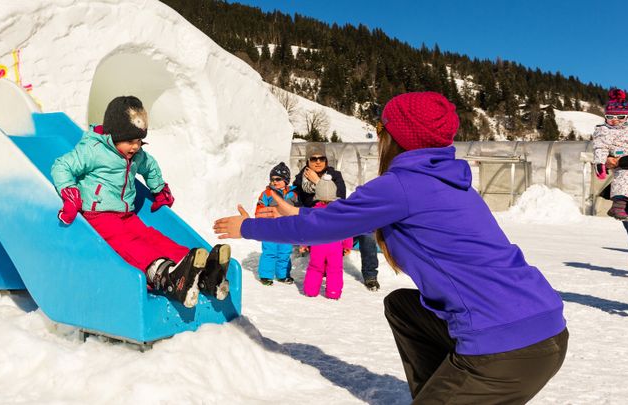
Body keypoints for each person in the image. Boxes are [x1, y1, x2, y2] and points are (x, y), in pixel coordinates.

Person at [214, 92, 568, 403]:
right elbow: (334, 219)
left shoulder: (401, 185)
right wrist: (297, 213)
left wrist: (247, 227)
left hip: (503, 348)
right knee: (402, 306)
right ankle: (441, 390)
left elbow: (321, 228)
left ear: (397, 137)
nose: (380, 137)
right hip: (545, 329)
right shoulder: (452, 182)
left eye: (382, 130)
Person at [51, 95, 230, 308]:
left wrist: (159, 188)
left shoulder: (135, 154)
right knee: (129, 244)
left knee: (151, 236)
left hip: (126, 216)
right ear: (113, 135)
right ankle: (164, 275)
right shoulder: (93, 150)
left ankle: (198, 270)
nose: (135, 147)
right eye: (130, 141)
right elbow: (62, 166)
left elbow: (150, 166)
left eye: (139, 141)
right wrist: (70, 193)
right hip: (98, 217)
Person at [291, 144, 381, 291]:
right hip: (317, 227)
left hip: (336, 222)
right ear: (307, 161)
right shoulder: (300, 181)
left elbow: (339, 198)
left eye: (321, 158)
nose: (318, 162)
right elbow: (301, 207)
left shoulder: (335, 175)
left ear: (326, 160)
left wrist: (318, 183)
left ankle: (370, 275)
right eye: (313, 159)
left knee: (366, 231)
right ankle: (323, 269)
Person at [301, 181, 353, 299]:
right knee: (335, 270)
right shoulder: (340, 213)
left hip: (317, 245)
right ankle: (333, 293)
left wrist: (304, 243)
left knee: (315, 267)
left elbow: (307, 229)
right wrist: (347, 245)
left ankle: (311, 291)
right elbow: (347, 230)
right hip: (335, 246)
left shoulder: (313, 212)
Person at [255, 162, 298, 285]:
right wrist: (263, 220)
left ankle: (283, 275)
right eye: (272, 179)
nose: (274, 182)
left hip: (287, 229)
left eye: (278, 179)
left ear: (286, 180)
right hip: (270, 229)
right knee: (270, 251)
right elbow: (259, 209)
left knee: (285, 252)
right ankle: (266, 275)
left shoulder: (293, 194)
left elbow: (297, 209)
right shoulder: (267, 194)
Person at [591, 88, 628, 218]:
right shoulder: (604, 131)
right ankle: (618, 206)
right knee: (624, 176)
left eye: (620, 117)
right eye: (610, 117)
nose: (614, 120)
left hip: (623, 160)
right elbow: (600, 148)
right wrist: (600, 163)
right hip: (619, 161)